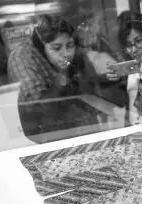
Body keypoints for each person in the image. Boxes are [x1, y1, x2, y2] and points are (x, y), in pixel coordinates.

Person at [8, 14, 101, 143]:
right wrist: (61, 79)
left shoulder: (77, 53)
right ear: (42, 46)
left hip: (87, 130)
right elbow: (37, 109)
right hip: (53, 137)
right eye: (57, 48)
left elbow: (94, 96)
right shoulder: (23, 56)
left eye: (69, 45)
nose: (66, 53)